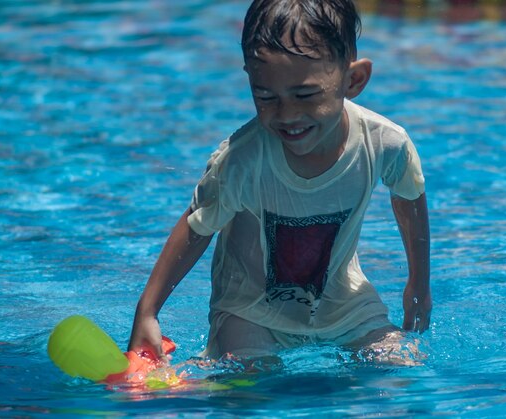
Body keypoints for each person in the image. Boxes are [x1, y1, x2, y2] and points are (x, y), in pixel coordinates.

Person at [128, 0, 431, 366]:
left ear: (353, 80)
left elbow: (409, 196)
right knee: (250, 387)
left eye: (305, 95)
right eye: (265, 97)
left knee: (400, 368)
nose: (287, 115)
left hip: (344, 303)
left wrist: (419, 283)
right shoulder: (241, 160)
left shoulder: (384, 143)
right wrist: (148, 311)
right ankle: (201, 375)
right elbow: (196, 227)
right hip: (249, 310)